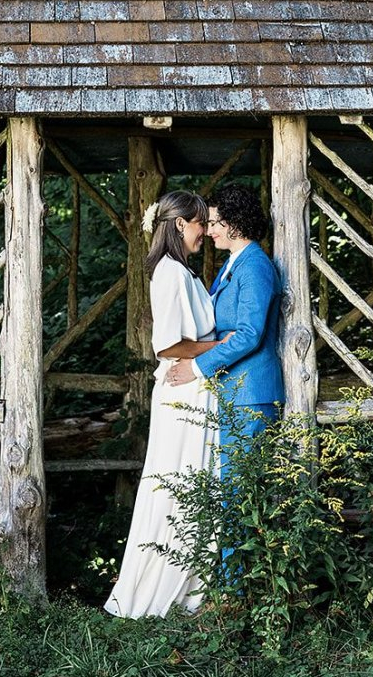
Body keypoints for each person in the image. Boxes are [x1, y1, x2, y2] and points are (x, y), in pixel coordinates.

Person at [104, 190, 223, 618]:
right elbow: (168, 345)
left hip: (194, 386)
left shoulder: (181, 271)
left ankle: (194, 587)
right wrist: (221, 346)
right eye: (200, 223)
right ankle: (160, 590)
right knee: (179, 481)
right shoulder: (170, 272)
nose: (205, 232)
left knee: (194, 481)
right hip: (183, 388)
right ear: (179, 224)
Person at [165, 184, 285, 474]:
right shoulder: (234, 263)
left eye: (214, 223)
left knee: (241, 490)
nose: (208, 231)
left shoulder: (255, 266)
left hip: (251, 394)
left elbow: (249, 335)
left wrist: (196, 367)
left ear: (235, 222)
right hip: (234, 393)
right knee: (230, 488)